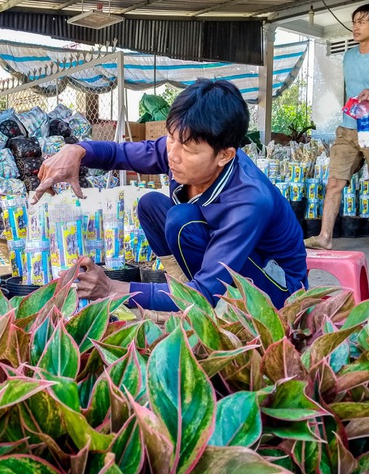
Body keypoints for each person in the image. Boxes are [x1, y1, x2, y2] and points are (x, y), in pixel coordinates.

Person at [31, 79, 308, 311]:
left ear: (224, 155)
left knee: (181, 220)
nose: (172, 154)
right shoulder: (180, 149)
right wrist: (77, 151)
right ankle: (177, 289)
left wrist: (114, 288)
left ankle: (197, 305)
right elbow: (122, 153)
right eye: (171, 138)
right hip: (224, 258)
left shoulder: (249, 201)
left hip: (278, 287)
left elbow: (205, 291)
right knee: (151, 205)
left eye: (187, 149)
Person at [304, 3, 369, 251]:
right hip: (347, 128)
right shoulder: (349, 56)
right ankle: (325, 236)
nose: (356, 27)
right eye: (354, 22)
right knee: (334, 182)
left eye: (362, 21)